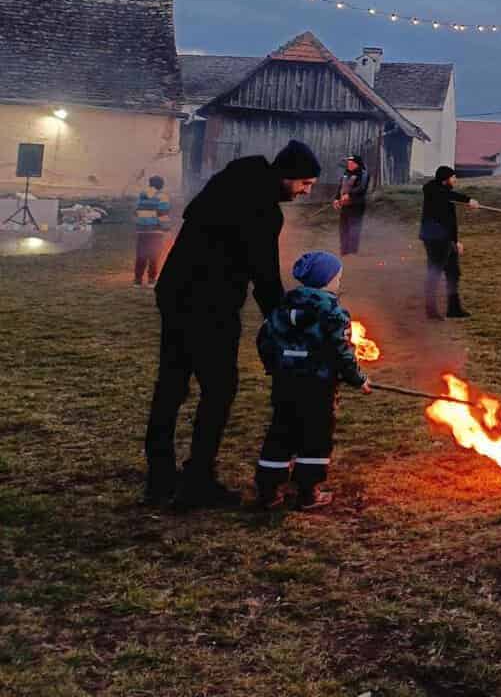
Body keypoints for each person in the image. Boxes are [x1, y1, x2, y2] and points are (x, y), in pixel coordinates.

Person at [144, 139, 321, 510]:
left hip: (174, 293)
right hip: (210, 306)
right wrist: (286, 321)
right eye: (305, 183)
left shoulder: (229, 183)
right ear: (287, 176)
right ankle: (197, 480)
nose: (307, 191)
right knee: (219, 389)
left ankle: (159, 480)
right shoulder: (263, 209)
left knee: (171, 386)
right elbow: (266, 275)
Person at [253, 251, 371, 510]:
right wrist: (358, 379)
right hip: (318, 387)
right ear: (327, 280)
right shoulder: (332, 311)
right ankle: (308, 492)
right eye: (337, 278)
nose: (338, 282)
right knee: (316, 436)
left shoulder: (282, 307)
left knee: (280, 432)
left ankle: (268, 490)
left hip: (285, 384)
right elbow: (341, 352)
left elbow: (264, 340)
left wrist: (273, 367)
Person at [420, 165, 479, 319]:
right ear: (446, 179)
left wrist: (454, 241)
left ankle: (454, 308)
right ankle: (431, 310)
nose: (455, 180)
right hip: (435, 239)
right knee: (434, 273)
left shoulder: (443, 192)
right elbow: (446, 198)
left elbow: (450, 221)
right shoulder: (435, 192)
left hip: (446, 239)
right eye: (453, 177)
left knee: (453, 273)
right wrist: (468, 200)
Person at [133, 174, 171, 287]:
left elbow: (136, 211)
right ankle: (151, 280)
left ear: (150, 184)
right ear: (161, 185)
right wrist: (167, 229)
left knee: (141, 255)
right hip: (156, 231)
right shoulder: (162, 196)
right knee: (154, 255)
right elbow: (163, 214)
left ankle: (137, 281)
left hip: (141, 231)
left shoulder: (142, 195)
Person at [334, 155, 369, 255]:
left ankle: (352, 252)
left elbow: (361, 187)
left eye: (351, 162)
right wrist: (336, 199)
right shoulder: (346, 173)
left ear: (356, 164)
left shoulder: (363, 174)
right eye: (348, 162)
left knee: (354, 228)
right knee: (343, 228)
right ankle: (344, 251)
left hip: (357, 205)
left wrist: (349, 194)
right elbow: (341, 187)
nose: (348, 164)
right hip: (345, 205)